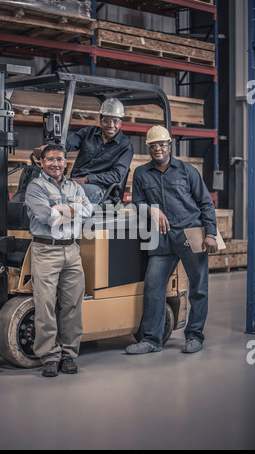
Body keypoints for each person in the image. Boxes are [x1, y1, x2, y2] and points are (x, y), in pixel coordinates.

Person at [125, 125, 218, 356]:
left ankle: (194, 336)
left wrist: (211, 234)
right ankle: (152, 340)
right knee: (153, 288)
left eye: (162, 144)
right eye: (153, 145)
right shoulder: (141, 173)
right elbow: (136, 202)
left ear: (169, 145)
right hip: (161, 237)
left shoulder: (187, 171)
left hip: (190, 234)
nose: (158, 149)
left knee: (199, 288)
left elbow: (205, 202)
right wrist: (151, 211)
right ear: (149, 147)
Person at [25, 143, 93, 377]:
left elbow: (88, 212)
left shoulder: (75, 186)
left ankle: (69, 355)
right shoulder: (35, 187)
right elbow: (46, 217)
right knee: (45, 306)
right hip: (46, 250)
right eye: (50, 159)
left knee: (72, 305)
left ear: (66, 163)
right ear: (42, 162)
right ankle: (50, 357)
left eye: (60, 159)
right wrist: (73, 209)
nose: (55, 163)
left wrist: (61, 210)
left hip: (72, 251)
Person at [65, 97, 134, 204]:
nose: (111, 125)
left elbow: (116, 175)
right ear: (101, 121)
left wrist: (86, 179)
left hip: (100, 188)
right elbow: (66, 144)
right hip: (76, 182)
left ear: (120, 123)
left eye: (115, 121)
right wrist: (49, 148)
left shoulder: (125, 146)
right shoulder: (88, 133)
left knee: (67, 194)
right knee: (46, 189)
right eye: (107, 121)